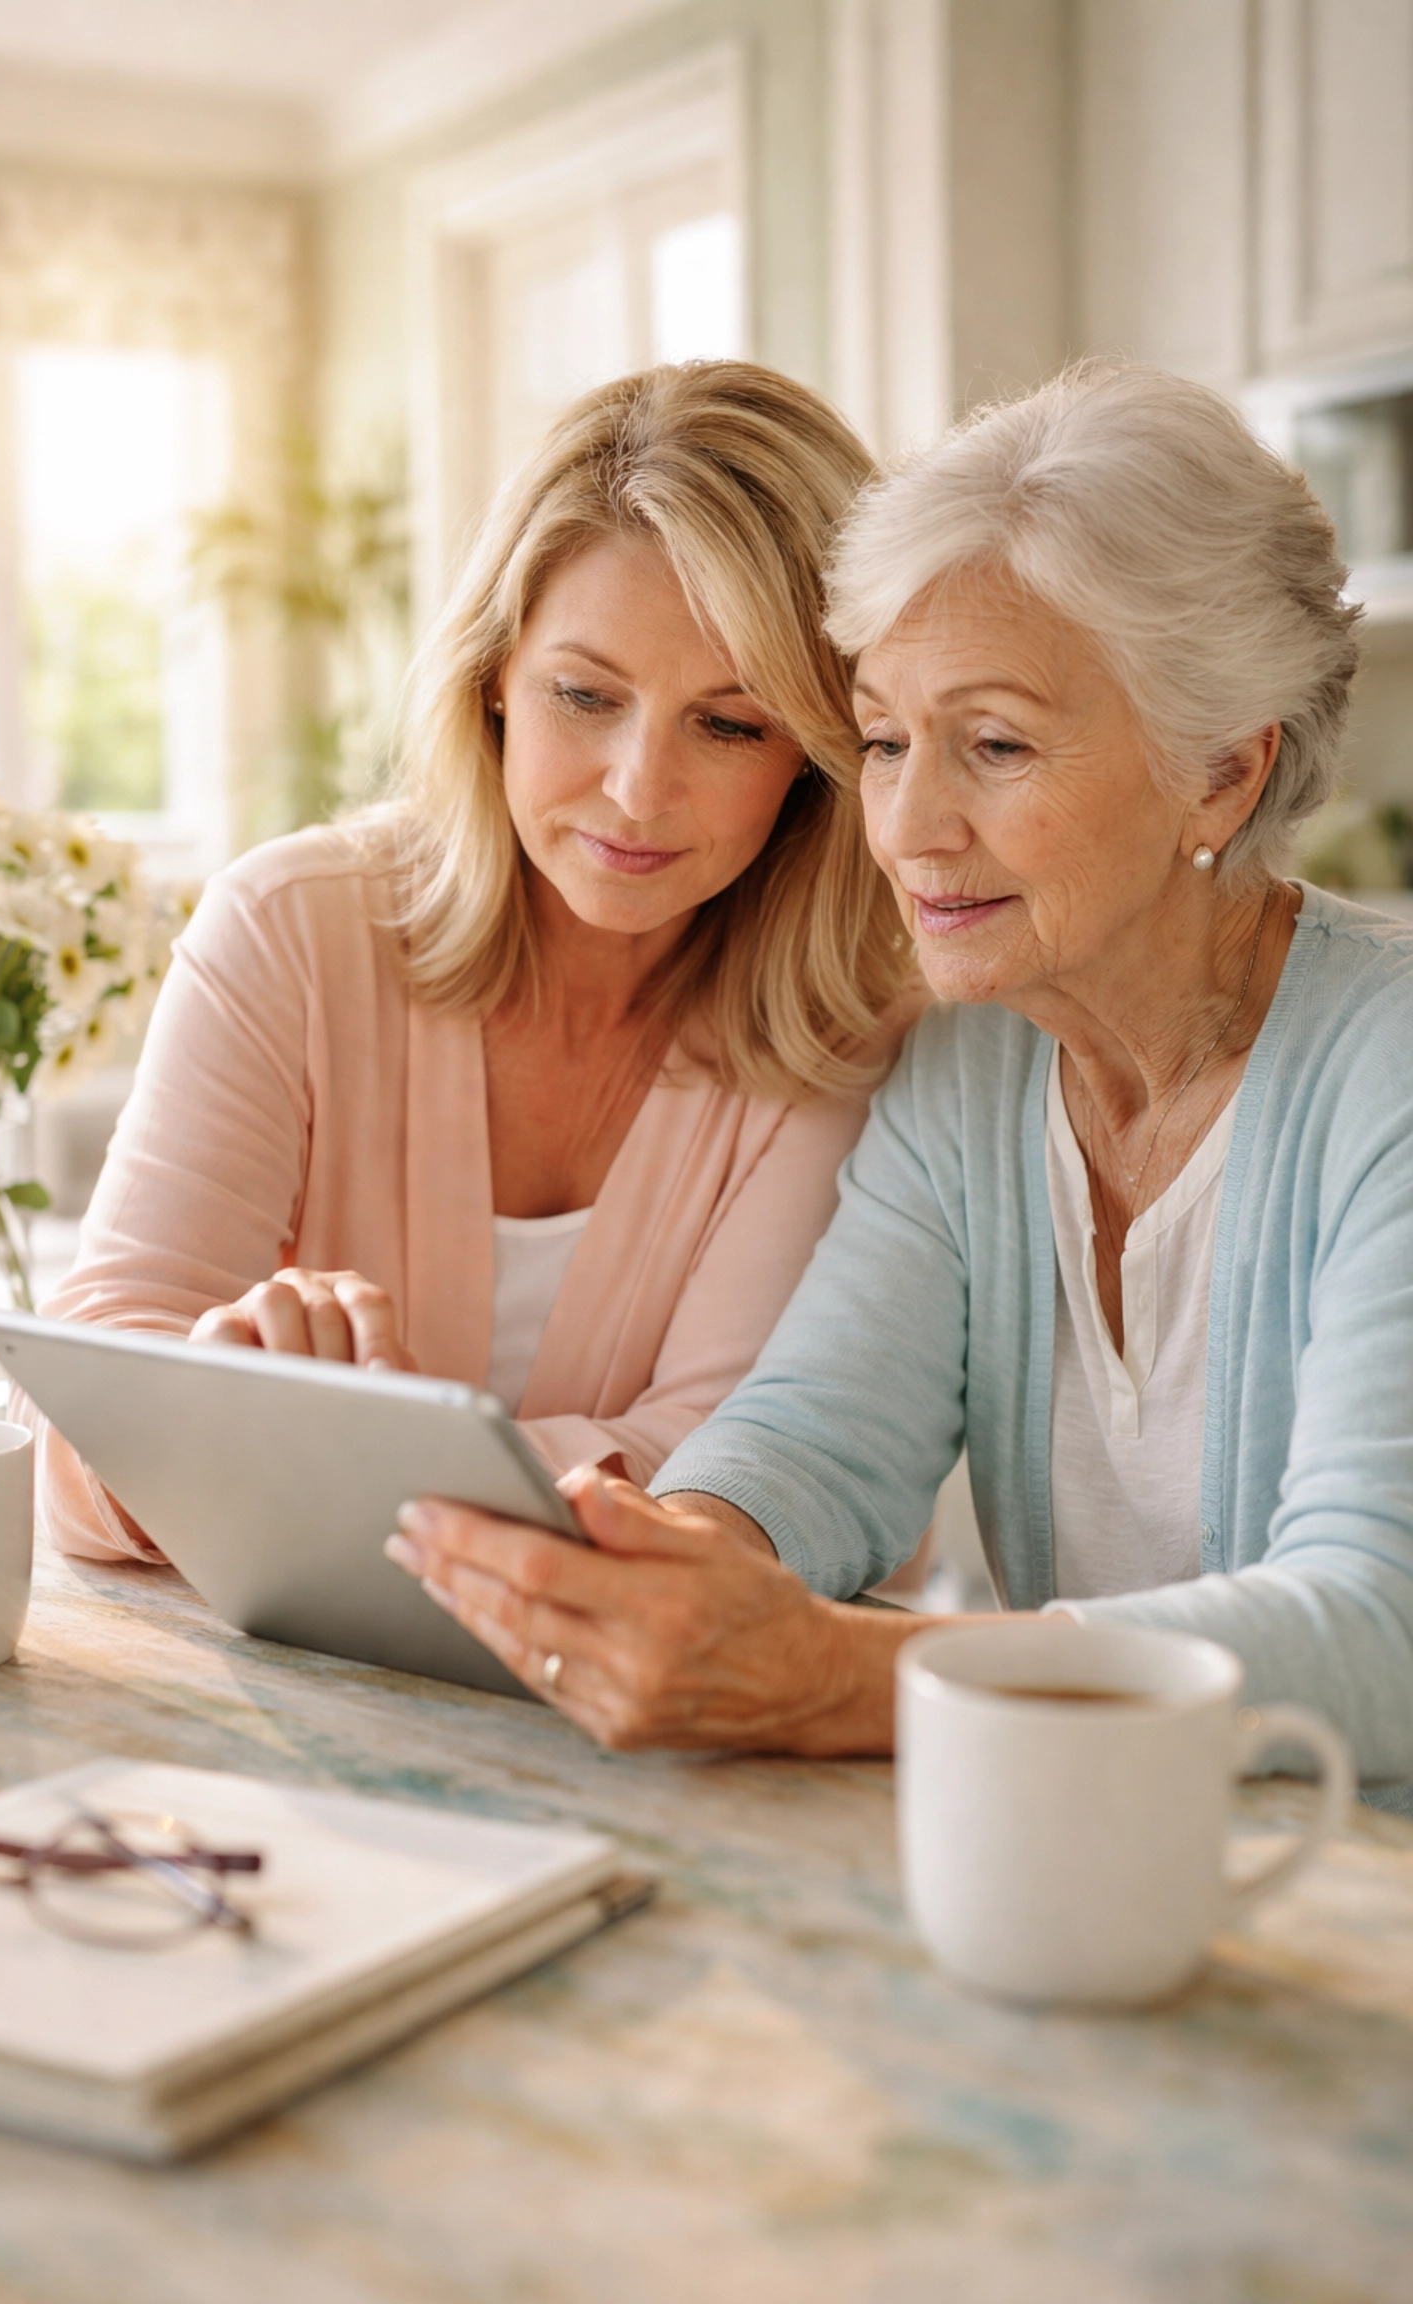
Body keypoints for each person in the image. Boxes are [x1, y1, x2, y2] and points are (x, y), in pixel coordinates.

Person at [391, 362, 1413, 1814]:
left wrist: (837, 1676)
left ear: (1220, 777)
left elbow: (1382, 1629)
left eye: (993, 746)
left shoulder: (1388, 1073)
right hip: (1100, 1866)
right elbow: (817, 1437)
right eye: (882, 742)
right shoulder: (971, 1070)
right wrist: (678, 1552)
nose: (909, 828)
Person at [29, 360, 921, 1562]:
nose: (638, 792)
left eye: (730, 723)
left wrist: (314, 1448)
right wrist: (212, 1391)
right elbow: (78, 1420)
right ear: (495, 676)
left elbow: (732, 1465)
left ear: (813, 753)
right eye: (584, 696)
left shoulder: (850, 1028)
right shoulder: (290, 930)